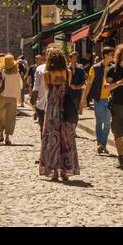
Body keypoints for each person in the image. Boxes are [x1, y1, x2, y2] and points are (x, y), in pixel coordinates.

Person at [38, 49, 79, 183]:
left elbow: (48, 89)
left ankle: (54, 172)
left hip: (52, 110)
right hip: (65, 108)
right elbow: (67, 88)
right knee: (66, 140)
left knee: (52, 140)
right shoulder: (68, 73)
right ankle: (65, 172)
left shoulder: (47, 74)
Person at [82, 46, 115, 154]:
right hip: (98, 99)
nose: (113, 57)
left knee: (107, 123)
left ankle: (103, 144)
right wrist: (83, 99)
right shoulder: (95, 68)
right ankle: (100, 143)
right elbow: (89, 84)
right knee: (99, 121)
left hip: (110, 100)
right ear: (106, 55)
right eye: (111, 55)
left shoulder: (113, 68)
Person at [0, 54, 23, 144]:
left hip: (1, 96)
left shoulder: (0, 71)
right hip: (12, 97)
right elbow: (20, 85)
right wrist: (19, 97)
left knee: (1, 115)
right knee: (10, 117)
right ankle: (7, 137)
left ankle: (1, 135)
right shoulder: (16, 72)